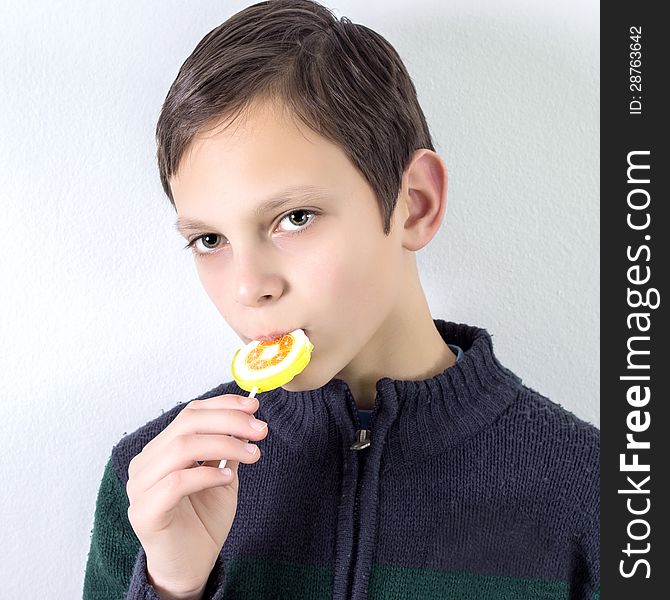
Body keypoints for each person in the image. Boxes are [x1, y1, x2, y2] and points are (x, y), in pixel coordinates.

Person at [83, 1, 600, 598]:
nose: (250, 287)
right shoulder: (151, 486)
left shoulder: (596, 493)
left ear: (415, 204)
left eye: (293, 218)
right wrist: (172, 586)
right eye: (209, 240)